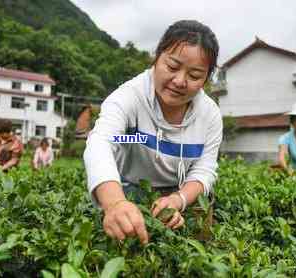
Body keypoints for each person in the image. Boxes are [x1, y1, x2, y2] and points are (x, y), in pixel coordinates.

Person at [83, 20, 222, 244]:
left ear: (205, 80)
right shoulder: (129, 96)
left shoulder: (210, 114)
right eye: (173, 67)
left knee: (195, 240)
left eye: (194, 75)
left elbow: (205, 169)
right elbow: (100, 142)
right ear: (156, 59)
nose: (179, 81)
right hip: (130, 190)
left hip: (181, 193)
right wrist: (115, 203)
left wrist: (178, 200)